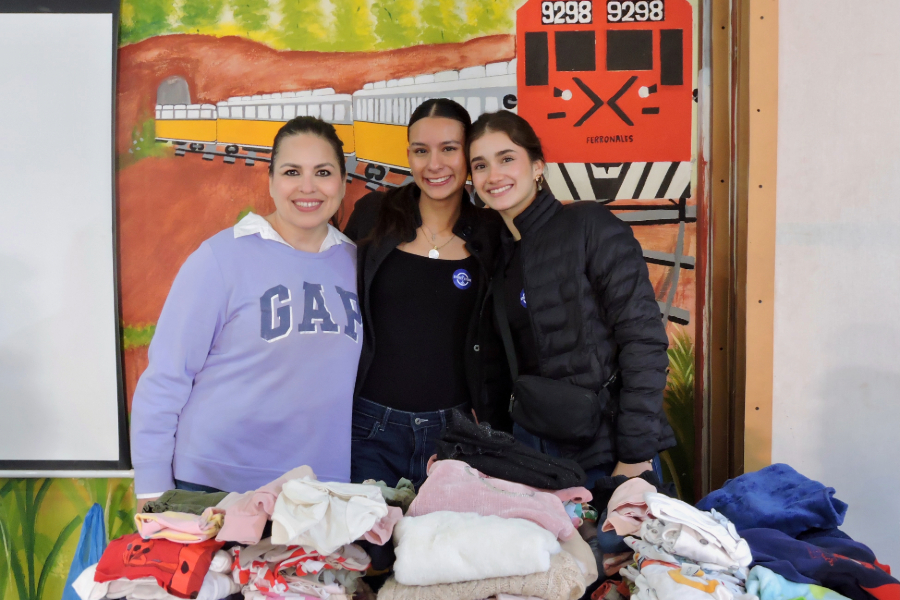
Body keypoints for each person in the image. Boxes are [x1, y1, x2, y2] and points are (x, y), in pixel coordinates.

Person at [131, 117, 362, 510]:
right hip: (211, 486)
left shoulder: (357, 263)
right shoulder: (220, 258)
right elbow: (166, 377)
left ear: (342, 182)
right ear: (271, 180)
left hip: (317, 491)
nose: (308, 187)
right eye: (292, 172)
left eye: (323, 172)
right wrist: (152, 489)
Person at [467, 110, 675, 487]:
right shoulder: (497, 255)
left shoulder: (589, 226)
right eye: (480, 165)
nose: (493, 175)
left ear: (537, 167)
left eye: (507, 158)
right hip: (535, 453)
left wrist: (635, 454)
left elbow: (643, 340)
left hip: (608, 452)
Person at [343, 99, 506, 488]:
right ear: (409, 156)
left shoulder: (492, 232)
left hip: (453, 436)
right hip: (368, 428)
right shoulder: (373, 214)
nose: (435, 164)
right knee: (367, 547)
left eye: (449, 149)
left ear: (468, 156)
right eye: (421, 151)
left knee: (441, 545)